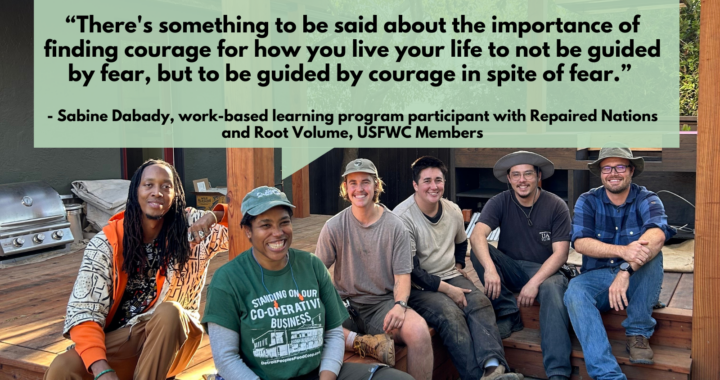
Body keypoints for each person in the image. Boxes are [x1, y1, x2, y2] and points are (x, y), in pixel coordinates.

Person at [202, 186, 413, 380]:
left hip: (318, 372)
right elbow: (226, 358)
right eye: (265, 225)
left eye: (284, 222)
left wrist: (327, 376)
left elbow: (333, 333)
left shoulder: (311, 266)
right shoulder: (228, 279)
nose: (277, 233)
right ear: (248, 231)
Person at [45, 159, 229, 380]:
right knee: (63, 366)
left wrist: (216, 215)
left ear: (176, 193)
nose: (157, 192)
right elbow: (84, 312)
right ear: (135, 192)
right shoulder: (106, 243)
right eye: (148, 185)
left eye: (165, 186)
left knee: (170, 312)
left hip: (173, 341)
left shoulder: (193, 226)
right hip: (125, 339)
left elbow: (252, 226)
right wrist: (102, 370)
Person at [393, 156, 523, 380]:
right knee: (451, 315)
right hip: (416, 286)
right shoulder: (402, 218)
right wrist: (447, 289)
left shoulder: (452, 210)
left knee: (480, 302)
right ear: (415, 185)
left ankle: (494, 369)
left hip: (450, 275)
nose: (434, 186)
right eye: (427, 181)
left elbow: (462, 241)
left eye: (438, 180)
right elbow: (411, 270)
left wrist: (460, 264)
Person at [563, 146, 676, 380]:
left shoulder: (648, 198)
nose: (613, 173)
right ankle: (608, 375)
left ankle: (638, 332)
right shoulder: (588, 200)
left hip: (636, 278)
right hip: (600, 279)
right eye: (607, 168)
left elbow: (657, 234)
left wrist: (625, 270)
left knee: (653, 253)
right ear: (600, 173)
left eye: (620, 167)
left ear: (631, 171)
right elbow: (581, 243)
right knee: (575, 290)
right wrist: (623, 251)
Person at [316, 159, 434, 380]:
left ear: (376, 186)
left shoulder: (395, 226)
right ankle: (361, 343)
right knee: (307, 323)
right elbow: (316, 272)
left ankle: (353, 340)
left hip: (382, 305)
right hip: (343, 304)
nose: (359, 189)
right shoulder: (333, 226)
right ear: (345, 188)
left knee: (419, 331)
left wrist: (400, 305)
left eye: (365, 182)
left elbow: (402, 276)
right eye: (353, 183)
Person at [469, 151, 573, 380]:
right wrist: (490, 269)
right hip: (512, 267)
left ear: (538, 177)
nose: (522, 180)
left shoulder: (556, 205)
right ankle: (508, 312)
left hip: (545, 270)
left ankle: (558, 373)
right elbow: (477, 236)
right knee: (480, 252)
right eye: (516, 175)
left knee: (553, 288)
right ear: (508, 178)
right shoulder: (500, 201)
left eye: (527, 174)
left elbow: (561, 254)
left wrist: (534, 283)